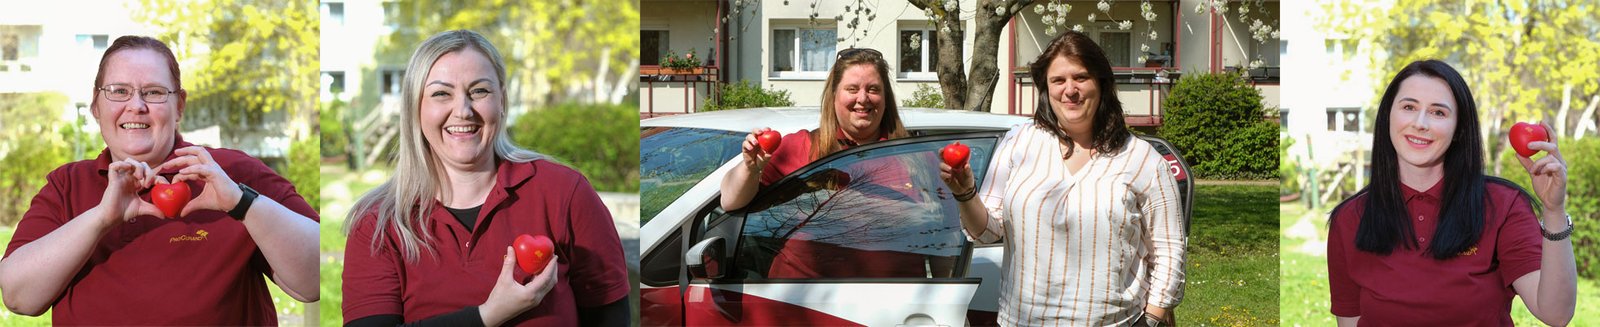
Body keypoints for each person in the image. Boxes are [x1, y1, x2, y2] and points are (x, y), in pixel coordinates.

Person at [0, 35, 320, 325]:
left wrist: (242, 203)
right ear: (96, 106)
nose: (136, 106)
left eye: (153, 92)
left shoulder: (233, 173)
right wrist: (100, 218)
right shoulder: (68, 184)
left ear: (178, 105)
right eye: (119, 91)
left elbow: (313, 282)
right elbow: (19, 297)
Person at [340, 30, 630, 327]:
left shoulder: (565, 193)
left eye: (479, 91)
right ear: (415, 108)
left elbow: (611, 316)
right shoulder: (378, 224)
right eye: (441, 94)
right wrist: (488, 315)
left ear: (502, 100)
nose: (463, 111)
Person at [939, 30, 1185, 326]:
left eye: (1081, 77)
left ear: (1101, 84)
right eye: (1058, 80)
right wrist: (965, 193)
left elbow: (1169, 251)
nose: (1070, 90)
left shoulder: (1141, 159)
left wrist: (1153, 318)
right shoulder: (1019, 144)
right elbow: (988, 232)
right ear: (1046, 88)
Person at [1326, 60, 1576, 326]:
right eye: (1409, 107)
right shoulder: (1350, 218)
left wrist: (1553, 211)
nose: (1420, 123)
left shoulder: (1502, 205)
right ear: (1388, 115)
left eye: (1438, 113)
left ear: (1458, 130)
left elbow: (1555, 313)